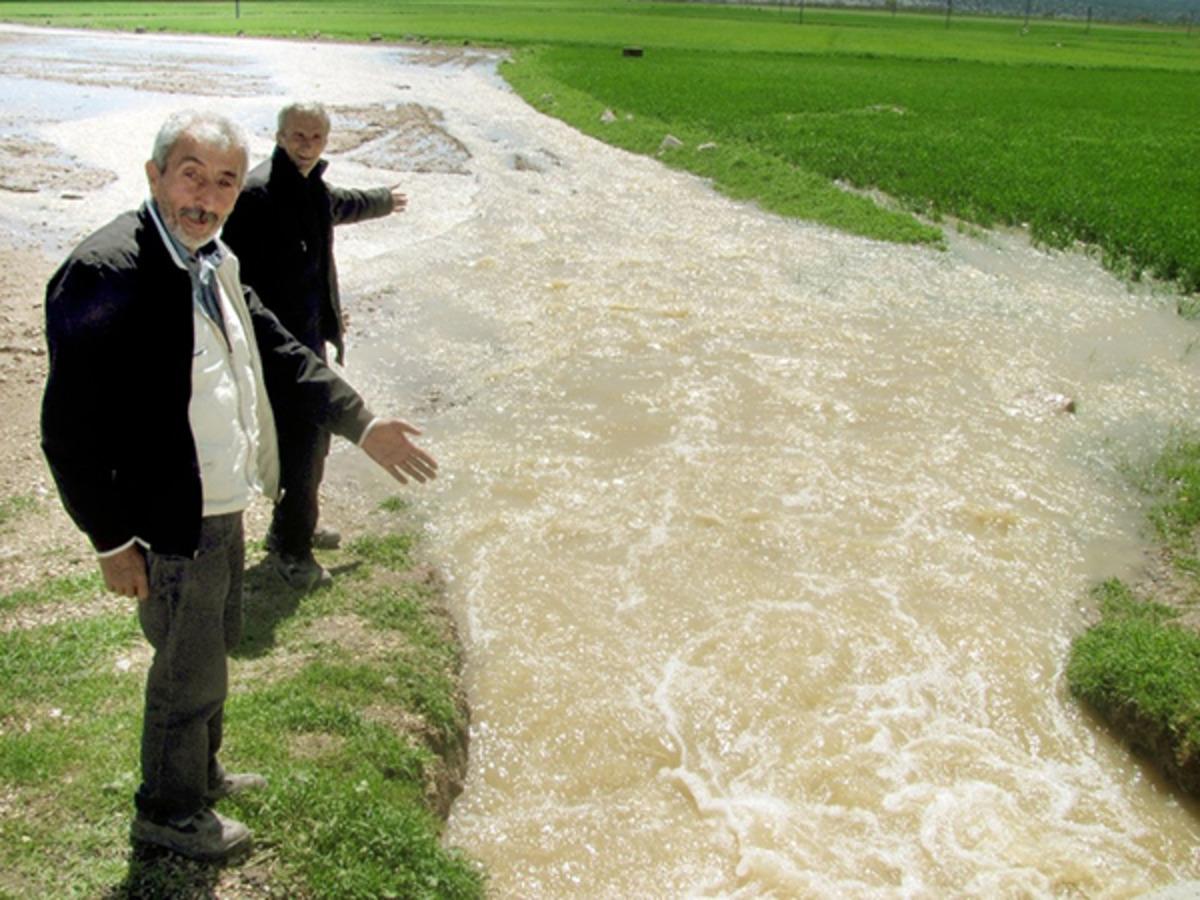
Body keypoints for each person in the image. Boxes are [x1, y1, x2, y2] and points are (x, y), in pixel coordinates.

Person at [40, 110, 437, 862]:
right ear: (155, 174)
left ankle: (201, 773)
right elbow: (69, 427)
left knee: (212, 652)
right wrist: (112, 543)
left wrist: (363, 423)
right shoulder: (109, 270)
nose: (208, 195)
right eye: (191, 174)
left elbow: (282, 353)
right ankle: (166, 809)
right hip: (168, 520)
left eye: (224, 180)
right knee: (185, 672)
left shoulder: (212, 260)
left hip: (221, 506)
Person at [222, 101, 408, 590]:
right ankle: (291, 549)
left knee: (315, 441)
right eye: (298, 137)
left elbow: (339, 204)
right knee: (303, 445)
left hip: (308, 336)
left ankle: (293, 526)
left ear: (326, 141)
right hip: (278, 347)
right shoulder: (257, 194)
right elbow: (233, 276)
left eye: (317, 138)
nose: (307, 146)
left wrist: (384, 200)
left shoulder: (310, 187)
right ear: (280, 136)